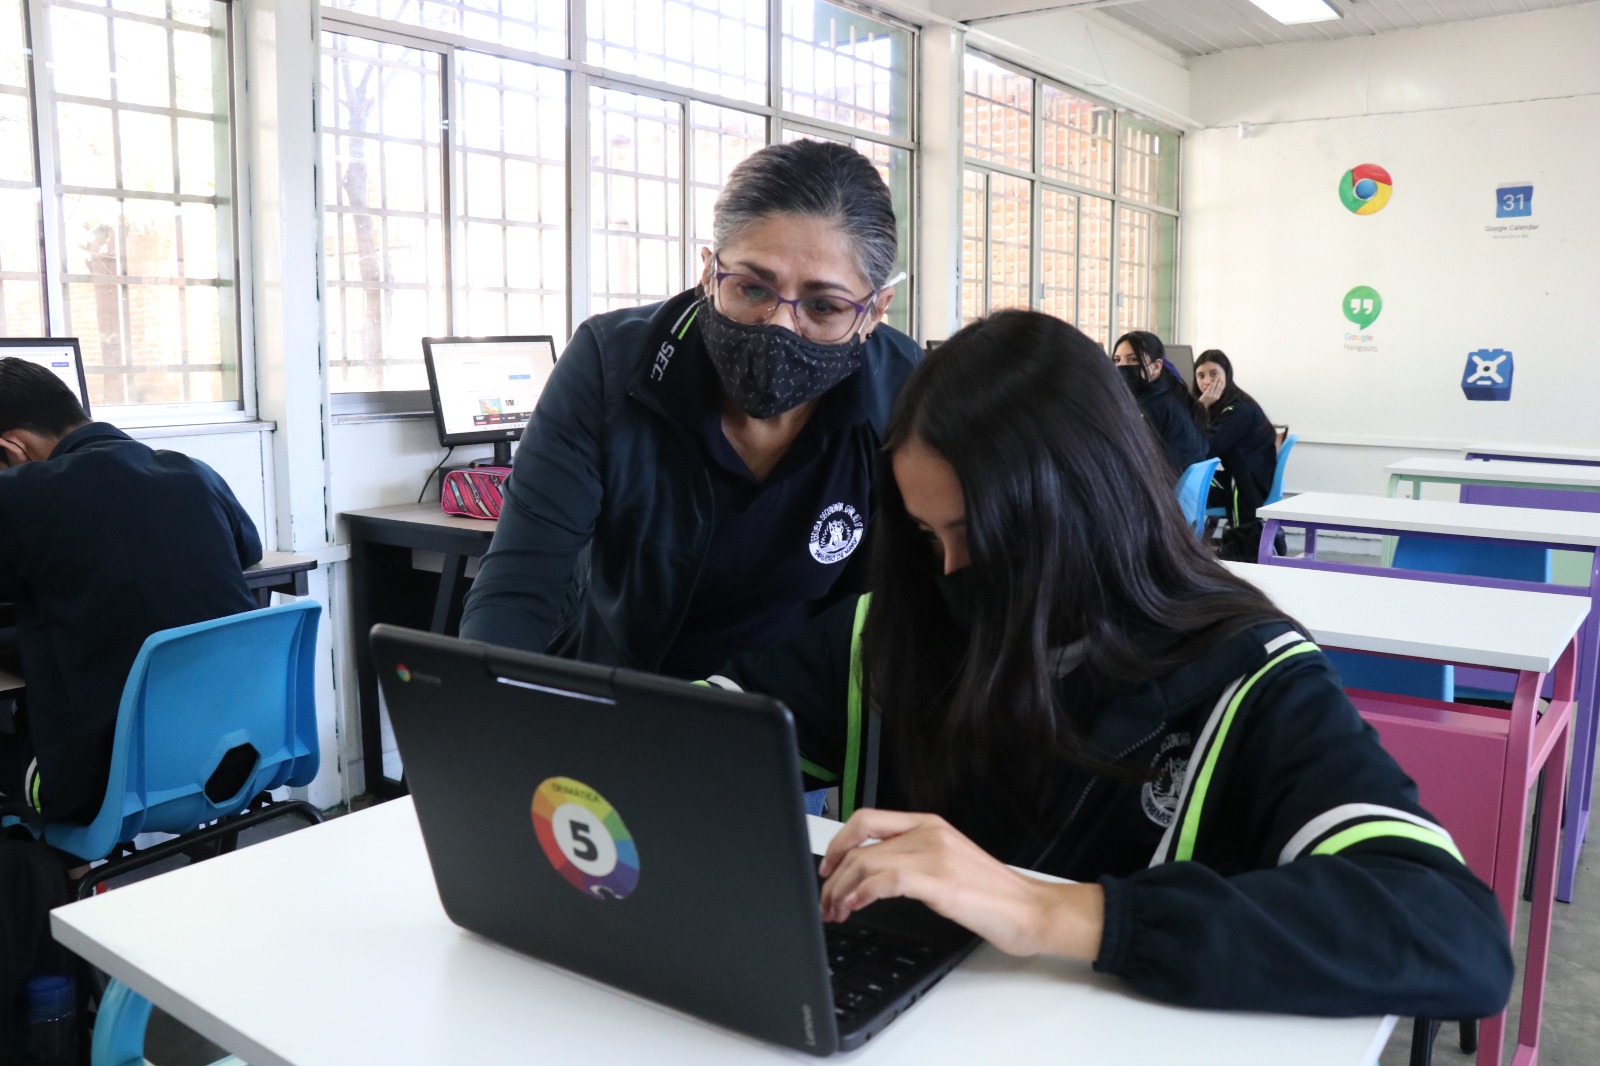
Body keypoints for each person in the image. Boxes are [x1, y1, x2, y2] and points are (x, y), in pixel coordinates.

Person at [710, 311, 1511, 1018]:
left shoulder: (1249, 676)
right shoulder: (895, 629)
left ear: (1087, 509)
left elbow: (1452, 934)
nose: (949, 571)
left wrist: (1054, 913)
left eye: (976, 536)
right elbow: (705, 733)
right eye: (927, 536)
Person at [460, 140, 920, 678]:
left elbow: (893, 608)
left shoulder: (904, 393)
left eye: (823, 306)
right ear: (709, 272)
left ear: (875, 311)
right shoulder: (611, 368)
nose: (778, 327)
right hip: (628, 700)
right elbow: (523, 583)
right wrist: (481, 711)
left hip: (803, 717)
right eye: (751, 288)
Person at [0, 358, 262, 821]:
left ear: (13, 448)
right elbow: (249, 550)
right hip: (236, 755)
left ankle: (58, 880)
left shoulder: (23, 492)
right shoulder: (193, 472)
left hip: (100, 785)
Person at [1192, 348, 1280, 560]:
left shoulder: (1238, 409)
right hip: (1243, 477)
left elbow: (1206, 447)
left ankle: (1187, 549)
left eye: (1214, 373)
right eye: (1201, 376)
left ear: (1226, 375)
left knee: (1178, 482)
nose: (1207, 381)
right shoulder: (1227, 405)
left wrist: (1200, 406)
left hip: (1246, 484)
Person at [1111, 330, 1205, 478]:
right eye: (1117, 360)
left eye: (1133, 360)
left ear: (1156, 367)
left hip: (1161, 491)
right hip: (1171, 492)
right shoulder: (1169, 394)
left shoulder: (1152, 406)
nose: (1122, 366)